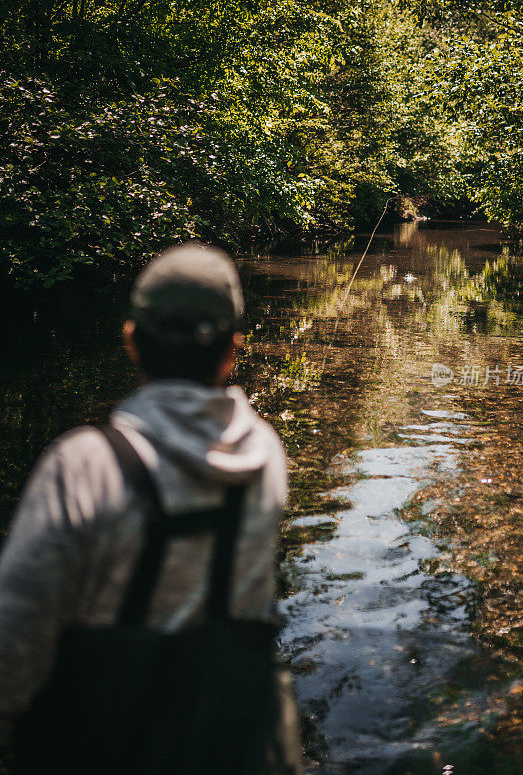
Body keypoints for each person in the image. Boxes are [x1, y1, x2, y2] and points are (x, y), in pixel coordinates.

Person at [0, 243, 302, 774]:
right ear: (233, 349)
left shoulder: (84, 464)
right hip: (225, 745)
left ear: (132, 340)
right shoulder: (265, 455)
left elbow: (14, 643)